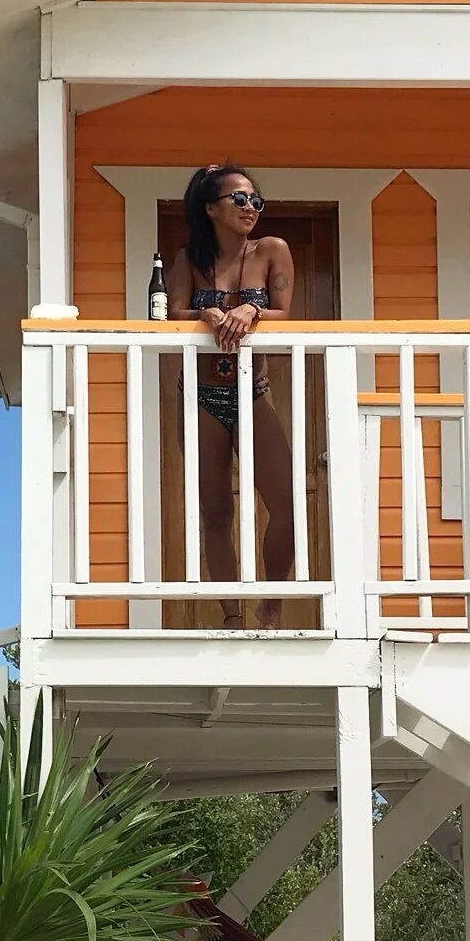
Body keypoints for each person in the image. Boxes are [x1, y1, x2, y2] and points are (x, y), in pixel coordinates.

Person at [167, 163, 297, 627]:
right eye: (239, 199)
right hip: (200, 395)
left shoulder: (271, 250)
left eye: (255, 200)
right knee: (216, 513)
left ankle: (272, 603)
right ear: (211, 208)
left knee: (287, 505)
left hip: (252, 391)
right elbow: (174, 313)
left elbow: (283, 312)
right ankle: (232, 616)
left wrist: (251, 311)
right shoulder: (189, 259)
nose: (250, 208)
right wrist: (204, 315)